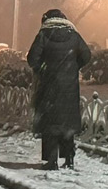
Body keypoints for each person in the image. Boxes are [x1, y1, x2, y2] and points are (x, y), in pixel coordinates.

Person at [26, 9, 91, 170]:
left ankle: (52, 160)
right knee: (67, 123)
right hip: (69, 86)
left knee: (50, 124)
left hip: (49, 85)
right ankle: (69, 159)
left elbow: (32, 59)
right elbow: (87, 55)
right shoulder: (74, 35)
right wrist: (72, 68)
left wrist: (43, 69)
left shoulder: (43, 35)